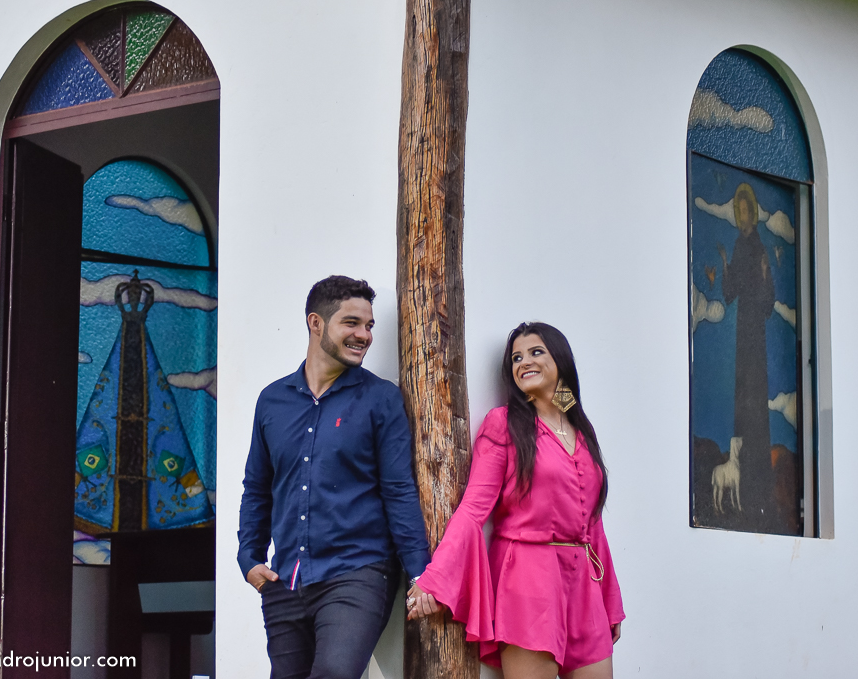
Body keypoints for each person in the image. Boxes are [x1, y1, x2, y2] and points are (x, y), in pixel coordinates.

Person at [405, 322, 625, 679]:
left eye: (536, 352)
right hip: (528, 580)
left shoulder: (581, 428)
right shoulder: (504, 423)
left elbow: (593, 521)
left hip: (584, 584)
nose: (524, 362)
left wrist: (609, 603)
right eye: (516, 357)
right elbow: (474, 509)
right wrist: (435, 577)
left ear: (561, 361)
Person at [238, 275, 431, 679]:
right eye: (352, 323)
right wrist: (249, 558)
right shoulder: (272, 400)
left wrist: (421, 573)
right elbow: (258, 487)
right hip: (285, 580)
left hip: (357, 572)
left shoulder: (381, 399)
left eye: (369, 326)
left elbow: (398, 490)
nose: (364, 335)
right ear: (316, 323)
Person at [717, 181, 776, 528]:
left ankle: (759, 480)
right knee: (744, 394)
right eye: (737, 212)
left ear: (752, 213)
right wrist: (725, 262)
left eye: (744, 211)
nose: (741, 217)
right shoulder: (740, 246)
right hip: (743, 331)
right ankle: (742, 472)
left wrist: (767, 274)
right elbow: (731, 290)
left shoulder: (760, 246)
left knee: (757, 390)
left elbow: (768, 302)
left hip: (757, 328)